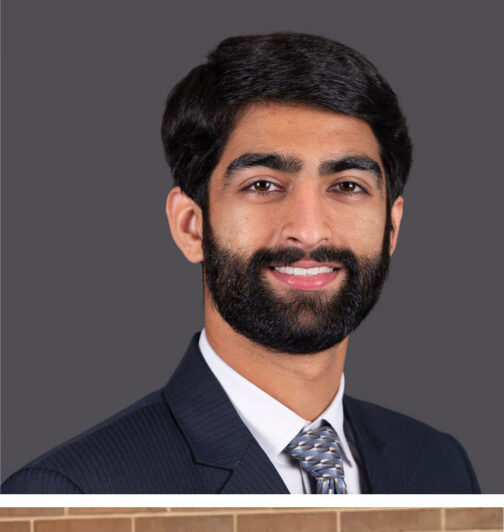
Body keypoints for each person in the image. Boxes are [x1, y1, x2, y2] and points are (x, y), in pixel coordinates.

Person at [2, 32, 480, 494]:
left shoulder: (439, 462)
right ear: (191, 226)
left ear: (391, 227)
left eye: (348, 186)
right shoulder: (73, 488)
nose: (309, 230)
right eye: (263, 186)